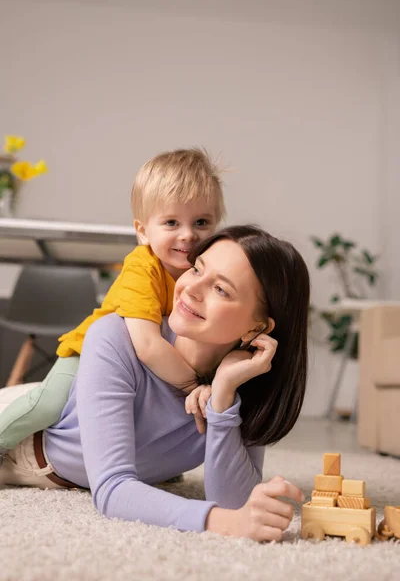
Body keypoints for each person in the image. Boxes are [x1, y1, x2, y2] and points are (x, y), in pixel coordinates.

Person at [0, 225, 310, 543]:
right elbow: (112, 490)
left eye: (221, 289)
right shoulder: (115, 338)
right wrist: (220, 522)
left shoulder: (244, 381)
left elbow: (235, 503)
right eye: (196, 268)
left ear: (257, 327)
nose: (190, 288)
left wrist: (223, 396)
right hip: (22, 440)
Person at [0, 148, 226, 455]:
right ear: (143, 232)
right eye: (171, 223)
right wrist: (193, 386)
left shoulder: (208, 271)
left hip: (143, 367)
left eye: (201, 222)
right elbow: (147, 345)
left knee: (154, 416)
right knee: (47, 405)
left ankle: (158, 464)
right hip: (88, 354)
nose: (188, 235)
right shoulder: (142, 267)